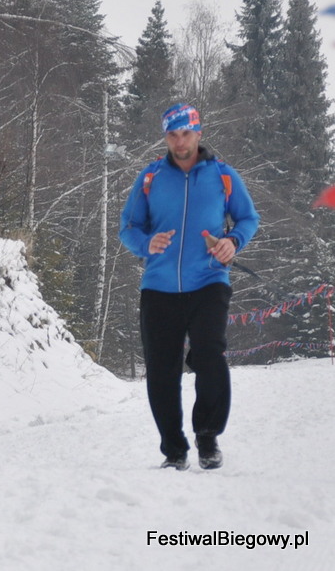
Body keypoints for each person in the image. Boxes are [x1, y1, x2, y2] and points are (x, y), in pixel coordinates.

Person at [119, 103, 260, 471]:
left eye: (186, 133)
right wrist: (146, 244)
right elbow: (128, 227)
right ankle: (174, 450)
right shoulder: (150, 177)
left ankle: (208, 436)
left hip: (208, 281)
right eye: (172, 134)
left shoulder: (223, 175)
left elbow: (248, 218)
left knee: (210, 354)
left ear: (198, 133)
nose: (180, 141)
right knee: (161, 369)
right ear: (165, 136)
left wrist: (233, 241)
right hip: (159, 287)